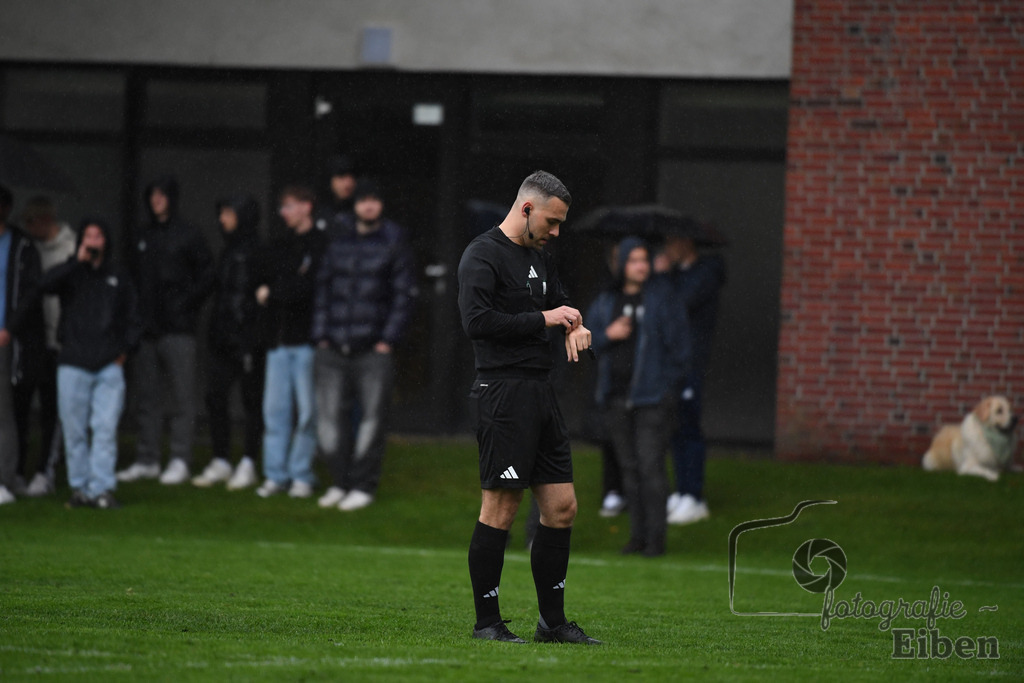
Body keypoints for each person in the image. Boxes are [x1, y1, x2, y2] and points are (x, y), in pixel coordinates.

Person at [457, 170, 601, 645]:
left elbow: (560, 304)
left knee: (562, 508)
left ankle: (552, 624)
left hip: (541, 393)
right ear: (526, 209)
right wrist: (546, 319)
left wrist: (575, 324)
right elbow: (477, 322)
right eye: (552, 222)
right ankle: (487, 624)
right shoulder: (482, 254)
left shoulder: (540, 256)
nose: (555, 232)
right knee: (501, 507)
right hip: (502, 393)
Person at [312, 179, 417, 512]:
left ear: (381, 205)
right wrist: (321, 335)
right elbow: (323, 289)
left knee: (372, 421)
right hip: (333, 346)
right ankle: (339, 482)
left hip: (373, 349)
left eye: (374, 199)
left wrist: (387, 339)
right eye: (363, 200)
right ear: (355, 204)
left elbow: (403, 295)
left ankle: (362, 486)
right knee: (330, 421)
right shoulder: (339, 240)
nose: (369, 205)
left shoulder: (394, 241)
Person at [587, 237, 690, 556]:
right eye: (633, 260)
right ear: (621, 265)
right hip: (616, 398)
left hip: (653, 400)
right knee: (629, 469)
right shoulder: (606, 301)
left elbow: (681, 348)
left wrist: (666, 388)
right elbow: (585, 345)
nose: (641, 266)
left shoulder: (663, 299)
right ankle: (637, 537)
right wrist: (608, 334)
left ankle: (655, 540)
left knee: (650, 467)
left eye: (644, 259)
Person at [36, 218, 141, 509]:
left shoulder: (118, 276)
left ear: (106, 241)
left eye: (98, 236)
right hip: (73, 361)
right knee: (74, 430)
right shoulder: (71, 273)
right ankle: (80, 488)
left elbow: (133, 316)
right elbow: (44, 285)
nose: (93, 241)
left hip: (108, 364)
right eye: (88, 236)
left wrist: (124, 351)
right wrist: (75, 262)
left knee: (105, 429)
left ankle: (101, 488)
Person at [119, 176, 214, 485]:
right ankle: (147, 458)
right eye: (152, 195)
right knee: (147, 398)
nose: (156, 200)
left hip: (179, 329)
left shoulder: (189, 234)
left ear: (172, 197)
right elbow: (130, 279)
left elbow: (207, 275)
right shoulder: (142, 236)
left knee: (183, 398)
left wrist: (186, 305)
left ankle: (180, 459)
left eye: (161, 195)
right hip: (147, 330)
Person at [251, 185, 326, 498]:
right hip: (278, 342)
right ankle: (275, 475)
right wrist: (280, 289)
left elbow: (306, 289)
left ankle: (301, 475)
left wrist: (275, 292)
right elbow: (263, 283)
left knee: (307, 413)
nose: (284, 213)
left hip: (306, 342)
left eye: (290, 206)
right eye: (282, 207)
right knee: (275, 412)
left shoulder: (320, 244)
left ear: (307, 206)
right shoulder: (279, 245)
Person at [191, 195, 265, 490]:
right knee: (215, 397)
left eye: (228, 213)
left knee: (251, 401)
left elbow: (258, 299)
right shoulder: (227, 251)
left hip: (247, 340)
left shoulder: (258, 251)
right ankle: (221, 459)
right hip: (222, 338)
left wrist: (252, 337)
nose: (222, 219)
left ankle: (249, 462)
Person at [13, 196, 77, 496]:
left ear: (45, 220)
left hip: (60, 342)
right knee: (21, 406)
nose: (27, 227)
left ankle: (44, 472)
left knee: (54, 408)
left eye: (31, 221)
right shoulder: (29, 249)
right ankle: (16, 468)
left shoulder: (71, 249)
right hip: (33, 341)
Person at [662, 229, 726, 525]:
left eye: (671, 242)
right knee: (676, 426)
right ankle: (682, 490)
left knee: (689, 426)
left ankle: (694, 496)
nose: (667, 249)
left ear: (685, 242)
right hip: (674, 363)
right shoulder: (678, 275)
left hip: (691, 364)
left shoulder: (705, 274)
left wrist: (663, 275)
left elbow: (677, 307)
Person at [0, 185, 45, 505]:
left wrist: (10, 328)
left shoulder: (22, 246)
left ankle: (6, 478)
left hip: (5, 340)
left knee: (5, 414)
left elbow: (31, 294)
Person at [314, 154, 357, 231]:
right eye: (341, 177)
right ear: (330, 180)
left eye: (351, 178)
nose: (348, 184)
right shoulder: (317, 210)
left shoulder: (360, 208)